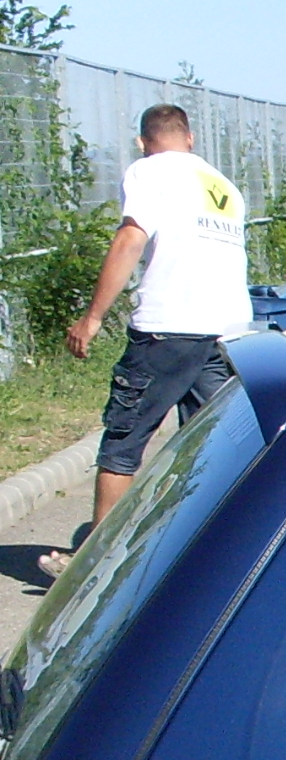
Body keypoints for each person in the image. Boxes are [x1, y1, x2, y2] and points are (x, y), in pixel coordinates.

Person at [37, 104, 246, 579]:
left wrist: (92, 317)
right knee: (208, 446)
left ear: (142, 142)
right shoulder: (221, 185)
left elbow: (131, 239)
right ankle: (201, 557)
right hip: (225, 329)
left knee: (124, 438)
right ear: (190, 138)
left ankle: (93, 568)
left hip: (168, 326)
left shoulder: (150, 171)